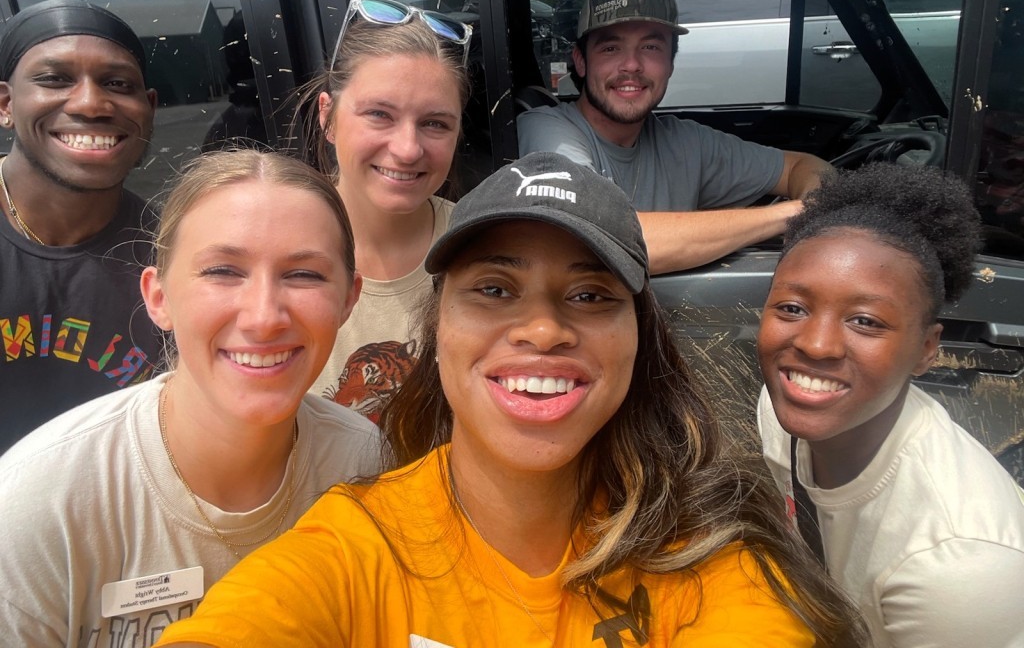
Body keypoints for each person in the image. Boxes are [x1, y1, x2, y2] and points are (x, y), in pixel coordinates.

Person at [155, 151, 864, 648]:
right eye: (494, 289)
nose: (544, 329)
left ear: (638, 341)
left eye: (590, 296)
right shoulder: (356, 546)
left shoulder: (708, 549)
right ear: (436, 334)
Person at [0, 150, 382, 646]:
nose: (264, 316)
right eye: (223, 270)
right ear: (158, 297)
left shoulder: (367, 466)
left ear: (348, 299)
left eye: (304, 274)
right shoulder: (39, 506)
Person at [756, 162, 1024, 647]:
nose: (815, 346)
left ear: (927, 349)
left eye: (866, 321)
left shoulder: (957, 566)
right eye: (793, 308)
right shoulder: (783, 407)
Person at [517, 0, 833, 274]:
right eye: (611, 48)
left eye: (651, 47)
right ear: (581, 62)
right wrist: (791, 215)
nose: (631, 65)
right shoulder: (547, 132)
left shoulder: (684, 142)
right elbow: (597, 238)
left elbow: (803, 167)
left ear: (670, 63)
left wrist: (812, 203)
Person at [0, 0, 164, 452]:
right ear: (5, 104)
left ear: (148, 108)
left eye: (117, 84)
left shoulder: (170, 254)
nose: (91, 103)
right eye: (55, 79)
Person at [298, 0, 471, 421]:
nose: (408, 149)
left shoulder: (478, 240)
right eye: (379, 114)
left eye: (435, 123)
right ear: (328, 116)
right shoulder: (266, 247)